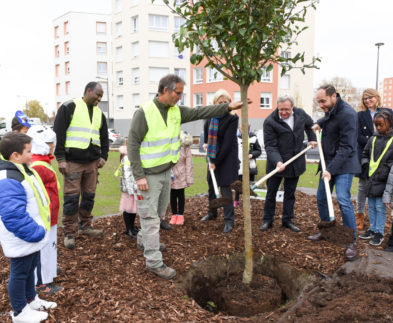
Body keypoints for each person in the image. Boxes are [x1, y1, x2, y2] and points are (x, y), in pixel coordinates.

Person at [128, 74, 248, 279]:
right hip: (148, 175)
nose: (180, 98)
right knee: (150, 217)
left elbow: (200, 111)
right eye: (178, 93)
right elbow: (132, 143)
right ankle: (154, 261)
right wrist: (139, 175)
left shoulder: (176, 111)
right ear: (165, 90)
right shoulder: (145, 113)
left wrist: (227, 108)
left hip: (166, 172)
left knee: (157, 213)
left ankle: (144, 239)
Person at [0, 132, 57, 322]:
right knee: (20, 272)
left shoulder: (21, 169)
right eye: (28, 151)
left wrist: (37, 232)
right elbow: (13, 215)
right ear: (15, 155)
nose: (31, 155)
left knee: (30, 268)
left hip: (30, 235)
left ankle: (31, 300)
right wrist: (36, 232)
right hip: (23, 236)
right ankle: (20, 312)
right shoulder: (9, 177)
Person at [53, 82, 109, 249]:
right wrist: (61, 158)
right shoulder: (69, 107)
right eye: (97, 95)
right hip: (73, 162)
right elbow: (59, 134)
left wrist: (104, 157)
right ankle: (69, 232)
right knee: (71, 198)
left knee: (89, 197)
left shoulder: (99, 114)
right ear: (88, 91)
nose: (99, 99)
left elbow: (104, 137)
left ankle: (85, 226)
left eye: (101, 96)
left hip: (92, 163)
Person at [308, 85, 360, 261]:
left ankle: (351, 241)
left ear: (334, 96)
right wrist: (319, 123)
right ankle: (327, 230)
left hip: (344, 164)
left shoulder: (348, 115)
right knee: (322, 197)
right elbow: (329, 118)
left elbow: (347, 147)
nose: (321, 105)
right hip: (329, 161)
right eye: (319, 102)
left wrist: (330, 170)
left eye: (323, 101)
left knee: (344, 200)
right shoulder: (332, 109)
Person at [260, 95, 317, 233]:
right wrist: (278, 161)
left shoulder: (301, 114)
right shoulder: (270, 121)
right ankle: (268, 220)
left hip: (295, 162)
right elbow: (270, 146)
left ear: (292, 107)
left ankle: (287, 220)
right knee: (271, 193)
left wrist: (312, 139)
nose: (284, 112)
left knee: (290, 193)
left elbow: (310, 126)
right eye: (281, 110)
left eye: (287, 109)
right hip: (276, 163)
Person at [27, 125, 63, 295]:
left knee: (49, 248)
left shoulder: (41, 162)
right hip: (45, 216)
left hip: (50, 214)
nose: (53, 145)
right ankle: (41, 283)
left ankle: (48, 273)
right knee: (44, 249)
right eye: (49, 143)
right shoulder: (39, 166)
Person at [200, 89, 239, 234]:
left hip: (227, 158)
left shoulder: (232, 118)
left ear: (230, 103)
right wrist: (205, 145)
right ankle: (212, 212)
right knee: (211, 186)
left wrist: (215, 161)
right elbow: (206, 137)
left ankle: (229, 220)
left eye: (226, 102)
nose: (223, 104)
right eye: (220, 102)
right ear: (214, 103)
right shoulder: (209, 117)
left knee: (225, 189)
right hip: (213, 157)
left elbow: (228, 143)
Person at [356, 88, 391, 231]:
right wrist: (372, 143)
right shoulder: (359, 115)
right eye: (365, 98)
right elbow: (357, 135)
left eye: (370, 97)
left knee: (381, 190)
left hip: (383, 156)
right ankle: (360, 217)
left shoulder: (387, 112)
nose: (368, 100)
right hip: (366, 154)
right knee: (363, 188)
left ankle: (379, 221)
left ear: (377, 97)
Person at [359, 111, 393, 246]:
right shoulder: (373, 139)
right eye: (376, 125)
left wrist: (385, 169)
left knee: (380, 206)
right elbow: (364, 153)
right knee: (371, 205)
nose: (378, 128)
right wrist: (365, 164)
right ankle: (372, 229)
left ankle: (379, 232)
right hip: (371, 179)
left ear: (389, 123)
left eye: (381, 125)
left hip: (384, 180)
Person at [234, 123, 262, 207]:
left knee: (248, 184)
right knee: (237, 184)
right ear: (239, 128)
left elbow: (258, 151)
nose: (243, 131)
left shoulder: (253, 137)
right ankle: (236, 200)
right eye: (242, 129)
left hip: (250, 166)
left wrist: (252, 155)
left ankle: (247, 201)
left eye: (246, 129)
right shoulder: (235, 138)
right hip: (238, 166)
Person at [170, 130, 194, 225]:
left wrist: (189, 178)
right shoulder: (170, 145)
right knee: (172, 195)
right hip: (172, 175)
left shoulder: (185, 147)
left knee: (180, 195)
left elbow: (189, 164)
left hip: (182, 175)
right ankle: (174, 214)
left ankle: (180, 215)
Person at [116, 142, 139, 238]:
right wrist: (131, 190)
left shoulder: (133, 155)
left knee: (133, 209)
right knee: (127, 209)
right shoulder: (126, 157)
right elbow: (126, 176)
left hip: (134, 188)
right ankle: (128, 229)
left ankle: (132, 227)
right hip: (129, 189)